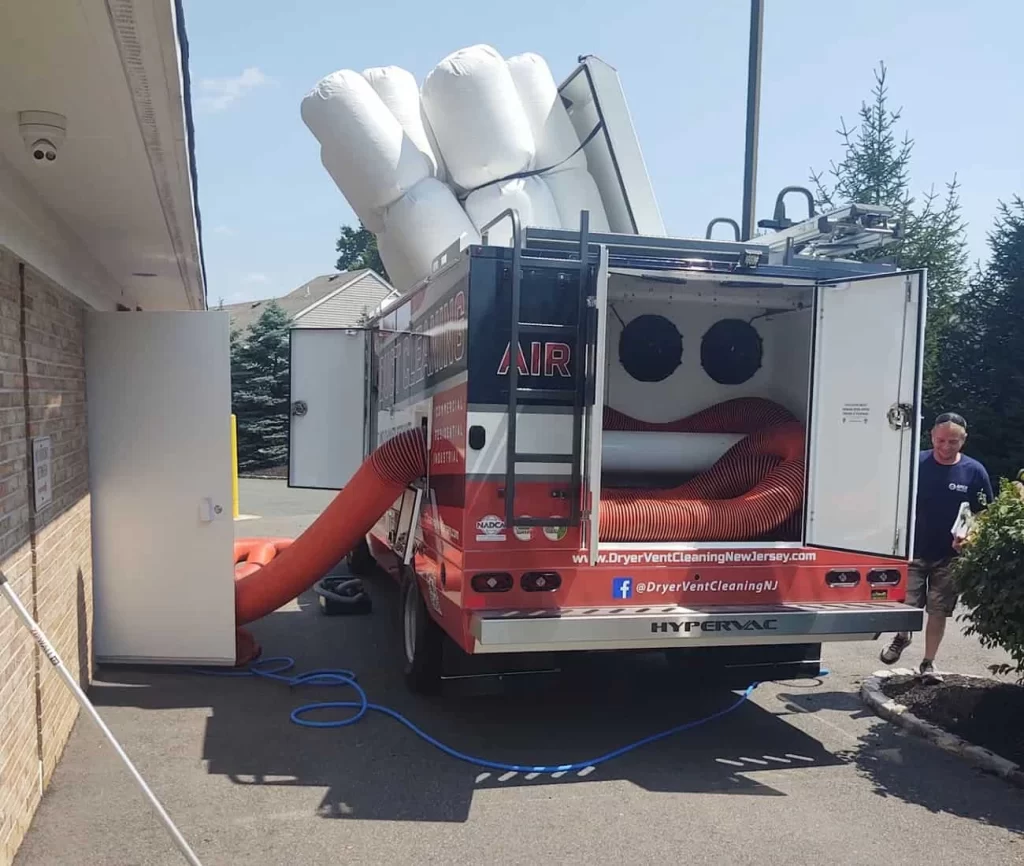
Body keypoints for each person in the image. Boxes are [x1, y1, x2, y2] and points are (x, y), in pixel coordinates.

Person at [879, 412, 993, 681]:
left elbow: (984, 513)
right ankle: (902, 636)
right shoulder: (914, 463)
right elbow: (893, 499)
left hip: (951, 556)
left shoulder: (974, 471)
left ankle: (928, 663)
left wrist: (970, 536)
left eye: (953, 442)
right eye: (940, 440)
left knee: (938, 611)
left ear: (963, 440)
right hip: (913, 551)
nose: (945, 447)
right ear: (931, 436)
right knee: (906, 606)